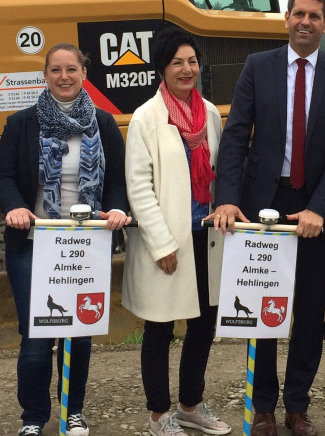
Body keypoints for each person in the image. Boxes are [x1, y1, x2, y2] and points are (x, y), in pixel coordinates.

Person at [211, 0, 325, 436]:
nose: (305, 22)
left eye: (315, 16)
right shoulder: (259, 67)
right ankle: (263, 408)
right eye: (299, 14)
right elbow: (237, 135)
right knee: (263, 307)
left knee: (310, 312)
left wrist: (319, 207)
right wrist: (228, 198)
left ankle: (297, 406)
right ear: (286, 19)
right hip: (264, 206)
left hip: (314, 210)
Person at [0, 42, 130, 436]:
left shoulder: (104, 123)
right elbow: (1, 178)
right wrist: (15, 207)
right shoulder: (22, 124)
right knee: (36, 336)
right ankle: (33, 418)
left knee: (78, 332)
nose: (64, 77)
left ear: (84, 73)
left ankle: (73, 412)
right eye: (55, 70)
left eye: (72, 69)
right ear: (45, 75)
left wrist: (117, 207)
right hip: (34, 244)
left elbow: (118, 179)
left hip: (86, 247)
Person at [122, 29, 232, 436]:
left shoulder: (210, 114)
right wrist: (161, 243)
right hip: (167, 240)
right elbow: (139, 186)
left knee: (203, 324)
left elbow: (219, 175)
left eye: (192, 61)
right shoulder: (147, 118)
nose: (186, 70)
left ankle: (190, 405)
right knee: (160, 327)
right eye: (176, 63)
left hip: (206, 235)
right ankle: (157, 415)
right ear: (162, 68)